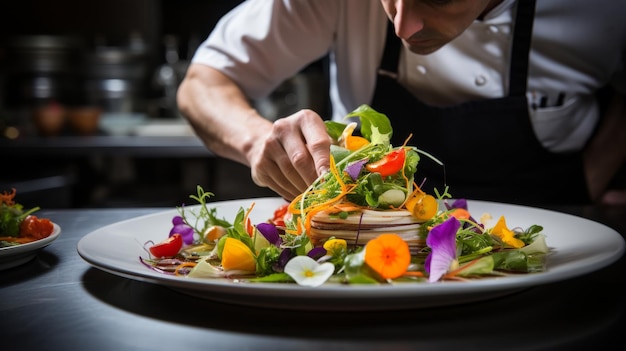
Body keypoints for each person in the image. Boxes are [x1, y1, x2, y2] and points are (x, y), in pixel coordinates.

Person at [177, 0, 626, 206]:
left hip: (555, 250)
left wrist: (594, 175)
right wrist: (256, 141)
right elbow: (204, 82)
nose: (404, 27)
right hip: (372, 264)